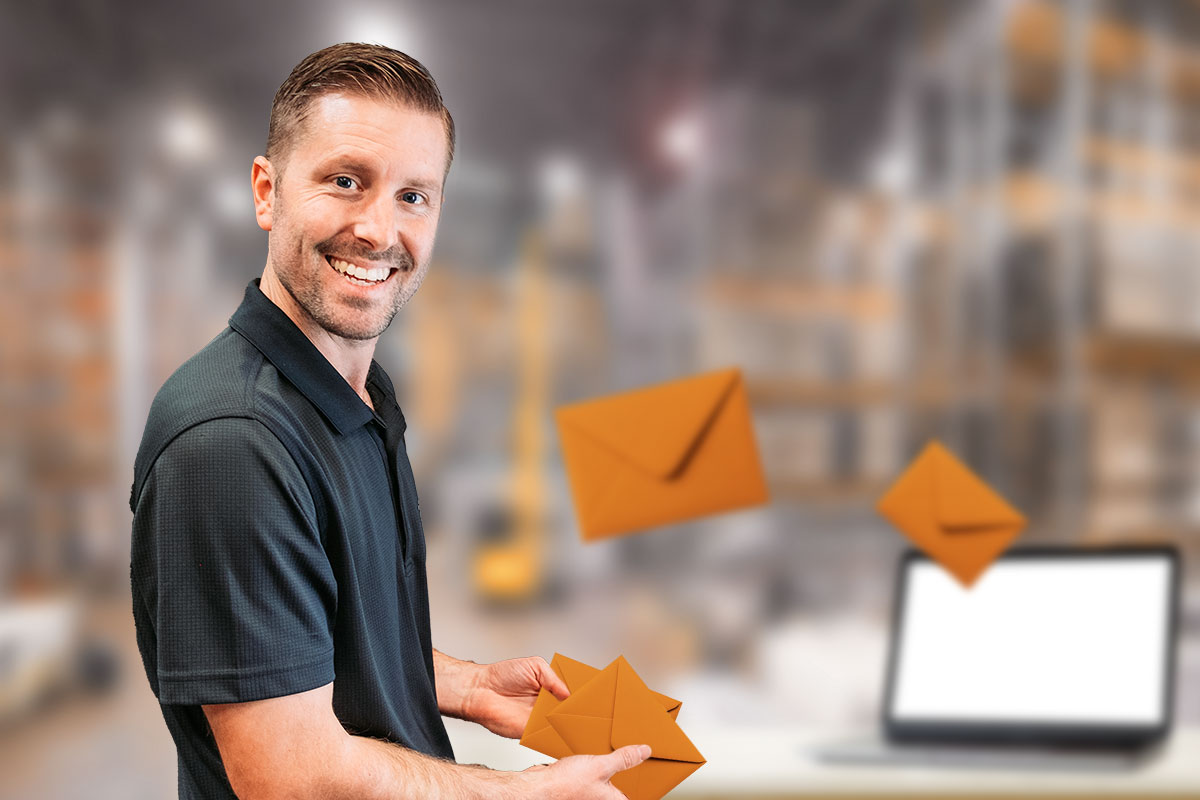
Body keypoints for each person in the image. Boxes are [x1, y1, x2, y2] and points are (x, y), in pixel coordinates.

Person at [130, 43, 649, 799]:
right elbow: (292, 776)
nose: (379, 230)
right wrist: (520, 792)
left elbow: (316, 645)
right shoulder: (234, 443)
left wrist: (467, 686)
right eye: (346, 182)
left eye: (413, 196)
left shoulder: (360, 399)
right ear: (267, 192)